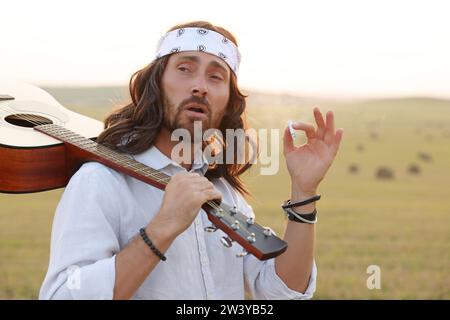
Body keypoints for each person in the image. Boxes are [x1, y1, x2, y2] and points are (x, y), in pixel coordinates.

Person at [39, 21, 343, 300]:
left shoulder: (225, 195)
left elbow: (281, 292)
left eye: (216, 76)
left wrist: (304, 192)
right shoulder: (100, 181)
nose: (201, 86)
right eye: (185, 69)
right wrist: (163, 227)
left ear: (228, 103)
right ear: (155, 84)